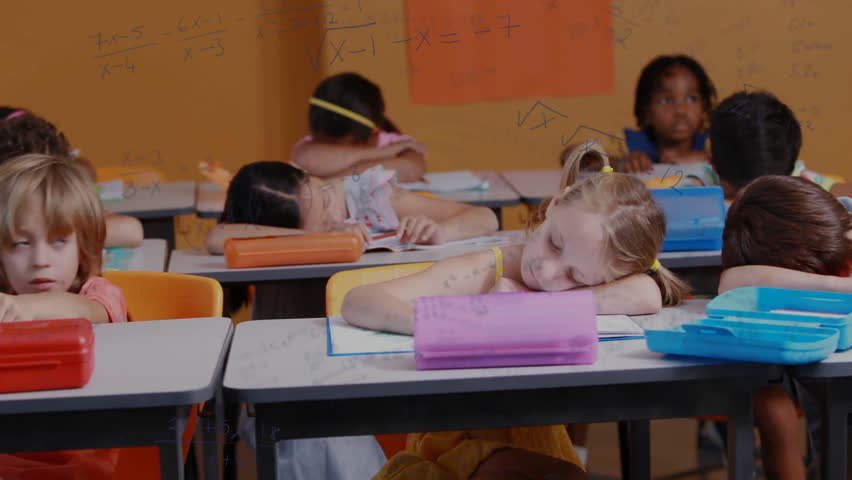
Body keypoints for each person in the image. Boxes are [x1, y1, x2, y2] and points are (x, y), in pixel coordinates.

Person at [341, 140, 689, 480]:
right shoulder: (483, 270)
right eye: (554, 243)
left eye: (575, 276)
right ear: (556, 204)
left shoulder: (591, 273)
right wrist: (458, 322)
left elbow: (647, 292)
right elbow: (359, 300)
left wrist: (523, 309)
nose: (547, 272)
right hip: (455, 452)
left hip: (538, 448)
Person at [0, 153, 128, 480]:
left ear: (83, 247)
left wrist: (26, 308)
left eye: (59, 241)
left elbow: (93, 313)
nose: (40, 259)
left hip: (80, 468)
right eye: (20, 243)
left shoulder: (97, 293)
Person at [204, 161, 498, 254]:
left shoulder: (367, 196)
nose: (335, 214)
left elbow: (485, 218)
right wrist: (327, 238)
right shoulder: (280, 232)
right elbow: (216, 238)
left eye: (327, 196)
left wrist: (439, 232)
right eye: (322, 220)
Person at [291, 72, 427, 182]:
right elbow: (305, 160)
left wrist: (323, 180)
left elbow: (409, 169)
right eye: (327, 145)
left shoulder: (397, 143)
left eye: (340, 145)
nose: (334, 150)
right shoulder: (310, 146)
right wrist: (381, 153)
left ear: (373, 132)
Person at [621, 55, 716, 174]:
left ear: (705, 109)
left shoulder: (713, 144)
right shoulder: (626, 145)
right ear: (646, 112)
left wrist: (710, 159)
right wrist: (624, 163)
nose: (680, 111)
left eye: (692, 99)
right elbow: (594, 161)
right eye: (666, 100)